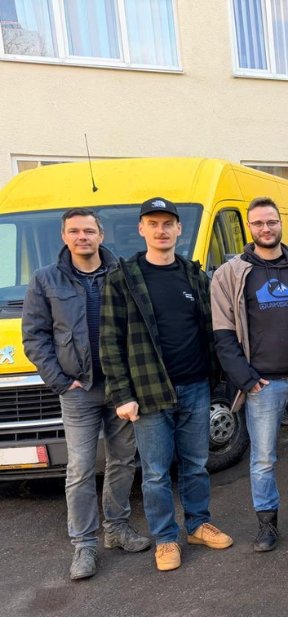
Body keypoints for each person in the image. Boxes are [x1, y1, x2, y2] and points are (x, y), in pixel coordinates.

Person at [100, 197, 233, 571]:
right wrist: (122, 395)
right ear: (141, 229)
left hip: (195, 386)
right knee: (156, 473)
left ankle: (198, 525)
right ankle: (165, 539)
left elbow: (210, 328)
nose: (161, 230)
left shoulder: (194, 276)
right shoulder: (123, 279)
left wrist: (217, 377)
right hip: (148, 392)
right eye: (153, 224)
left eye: (167, 224)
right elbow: (109, 341)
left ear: (179, 229)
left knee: (196, 464)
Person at [22, 209, 151, 580]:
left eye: (89, 231)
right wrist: (61, 381)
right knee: (80, 468)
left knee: (123, 460)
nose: (83, 237)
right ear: (64, 236)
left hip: (119, 387)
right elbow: (35, 336)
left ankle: (117, 528)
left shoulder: (122, 273)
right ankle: (84, 545)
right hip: (77, 389)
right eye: (75, 231)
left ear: (101, 235)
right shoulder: (46, 279)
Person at [211, 197, 288, 552]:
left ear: (280, 223)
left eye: (271, 221)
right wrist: (246, 378)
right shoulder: (231, 274)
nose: (266, 228)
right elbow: (223, 333)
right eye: (258, 223)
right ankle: (267, 523)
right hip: (262, 383)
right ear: (249, 227)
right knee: (262, 459)